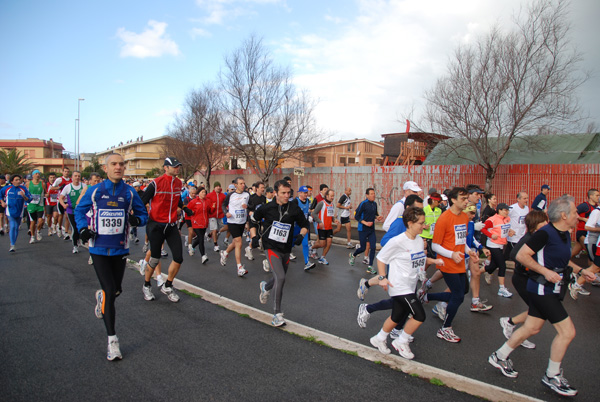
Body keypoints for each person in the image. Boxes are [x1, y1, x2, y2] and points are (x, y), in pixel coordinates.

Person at [488, 195, 595, 397]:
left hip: (551, 289)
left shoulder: (563, 234)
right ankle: (552, 375)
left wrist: (580, 271)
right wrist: (545, 271)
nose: (578, 217)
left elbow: (562, 261)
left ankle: (499, 356)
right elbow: (521, 256)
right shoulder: (544, 233)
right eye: (574, 213)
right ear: (564, 215)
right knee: (567, 332)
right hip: (541, 289)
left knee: (532, 327)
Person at [76, 153, 148, 361]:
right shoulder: (95, 190)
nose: (118, 167)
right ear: (106, 168)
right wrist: (82, 230)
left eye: (121, 164)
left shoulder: (130, 192)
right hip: (98, 248)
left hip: (120, 249)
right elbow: (80, 212)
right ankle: (112, 341)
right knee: (109, 290)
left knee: (115, 291)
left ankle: (102, 298)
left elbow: (143, 216)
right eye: (114, 164)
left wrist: (136, 219)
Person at [368, 207, 443, 359]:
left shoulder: (418, 240)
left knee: (396, 316)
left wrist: (434, 261)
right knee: (419, 315)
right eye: (421, 223)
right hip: (398, 286)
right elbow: (381, 258)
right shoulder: (397, 241)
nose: (424, 226)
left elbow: (418, 258)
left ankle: (379, 338)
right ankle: (401, 341)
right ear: (410, 223)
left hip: (410, 285)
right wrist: (382, 278)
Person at [420, 187, 478, 343]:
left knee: (463, 290)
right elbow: (435, 246)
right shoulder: (444, 218)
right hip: (447, 262)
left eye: (467, 198)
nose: (467, 201)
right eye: (463, 198)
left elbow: (461, 240)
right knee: (458, 296)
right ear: (453, 200)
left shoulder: (464, 218)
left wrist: (469, 251)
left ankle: (426, 296)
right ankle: (445, 328)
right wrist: (451, 254)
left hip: (459, 261)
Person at [252, 179, 309, 326]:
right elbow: (253, 220)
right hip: (270, 246)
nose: (286, 195)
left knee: (279, 277)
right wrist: (254, 236)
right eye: (283, 193)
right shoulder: (266, 208)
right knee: (281, 277)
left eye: (288, 193)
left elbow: (305, 224)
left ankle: (265, 287)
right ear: (275, 193)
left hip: (286, 248)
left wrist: (301, 236)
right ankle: (277, 314)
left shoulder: (294, 208)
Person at [499, 210, 549, 350]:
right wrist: (530, 266)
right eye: (543, 221)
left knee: (538, 310)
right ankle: (510, 324)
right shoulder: (529, 238)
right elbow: (515, 255)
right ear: (535, 224)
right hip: (521, 278)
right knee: (538, 310)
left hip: (532, 278)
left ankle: (513, 327)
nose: (546, 223)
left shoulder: (540, 236)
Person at [140, 157, 185, 302]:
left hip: (171, 225)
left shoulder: (178, 183)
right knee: (155, 257)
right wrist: (139, 217)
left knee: (178, 258)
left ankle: (168, 285)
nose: (177, 168)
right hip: (156, 225)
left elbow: (177, 199)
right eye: (174, 166)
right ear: (166, 168)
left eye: (178, 166)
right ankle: (146, 285)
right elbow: (142, 201)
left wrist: (185, 208)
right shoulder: (156, 183)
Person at [481, 203, 516, 297]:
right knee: (502, 265)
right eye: (505, 210)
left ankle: (476, 272)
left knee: (493, 265)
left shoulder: (507, 219)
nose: (507, 212)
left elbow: (504, 230)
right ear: (499, 210)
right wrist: (491, 235)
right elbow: (483, 228)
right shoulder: (492, 220)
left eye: (508, 210)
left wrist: (510, 232)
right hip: (493, 245)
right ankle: (501, 288)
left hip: (501, 244)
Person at [220, 176, 250, 276]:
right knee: (239, 243)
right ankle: (239, 267)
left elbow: (251, 206)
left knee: (235, 242)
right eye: (241, 183)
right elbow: (223, 205)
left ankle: (225, 253)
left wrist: (248, 207)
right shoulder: (231, 195)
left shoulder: (247, 194)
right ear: (236, 185)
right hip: (232, 221)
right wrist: (226, 212)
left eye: (244, 183)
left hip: (242, 221)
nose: (243, 185)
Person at [349, 188, 384, 274]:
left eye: (374, 193)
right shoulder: (363, 204)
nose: (373, 195)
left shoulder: (374, 204)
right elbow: (356, 216)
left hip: (371, 229)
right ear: (367, 195)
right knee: (363, 248)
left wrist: (377, 217)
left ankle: (370, 266)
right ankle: (353, 255)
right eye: (371, 194)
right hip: (363, 229)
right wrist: (365, 223)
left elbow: (374, 214)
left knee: (373, 247)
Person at [0, 174, 31, 252]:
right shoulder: (7, 189)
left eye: (19, 180)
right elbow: (0, 196)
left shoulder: (23, 189)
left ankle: (14, 242)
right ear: (12, 181)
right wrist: (2, 202)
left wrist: (24, 196)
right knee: (13, 226)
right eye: (16, 180)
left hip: (19, 211)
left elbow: (29, 200)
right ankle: (12, 245)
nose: (18, 181)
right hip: (10, 211)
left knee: (16, 227)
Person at [59, 171, 87, 253]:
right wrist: (64, 205)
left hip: (82, 211)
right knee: (74, 228)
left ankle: (81, 239)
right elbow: (61, 198)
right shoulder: (68, 187)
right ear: (72, 177)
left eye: (79, 176)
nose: (77, 177)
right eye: (75, 176)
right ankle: (75, 246)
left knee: (82, 227)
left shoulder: (84, 186)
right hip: (71, 211)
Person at [290, 186, 316, 271]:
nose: (306, 194)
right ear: (299, 193)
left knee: (305, 244)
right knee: (291, 244)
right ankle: (283, 258)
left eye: (306, 192)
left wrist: (309, 217)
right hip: (295, 227)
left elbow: (307, 212)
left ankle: (307, 263)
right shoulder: (295, 201)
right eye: (304, 192)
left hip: (304, 226)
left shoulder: (308, 201)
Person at [311, 189, 338, 265]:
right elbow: (314, 213)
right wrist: (319, 222)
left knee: (329, 243)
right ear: (327, 196)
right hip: (322, 228)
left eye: (333, 196)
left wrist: (334, 220)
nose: (332, 197)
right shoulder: (321, 203)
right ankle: (311, 247)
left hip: (329, 227)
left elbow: (331, 215)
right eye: (331, 196)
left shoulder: (332, 204)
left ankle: (322, 257)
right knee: (322, 244)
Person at [188, 187, 214, 264]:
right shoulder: (194, 201)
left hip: (204, 223)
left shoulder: (207, 201)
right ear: (198, 193)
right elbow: (187, 210)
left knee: (199, 239)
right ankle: (203, 256)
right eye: (202, 192)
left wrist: (213, 208)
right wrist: (191, 215)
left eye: (205, 192)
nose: (204, 194)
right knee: (201, 239)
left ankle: (192, 248)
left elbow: (210, 211)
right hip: (196, 223)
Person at [572, 188, 599, 259]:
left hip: (590, 233)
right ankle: (592, 270)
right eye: (597, 195)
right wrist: (583, 219)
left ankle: (561, 263)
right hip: (582, 232)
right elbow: (573, 213)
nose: (598, 197)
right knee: (591, 254)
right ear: (591, 196)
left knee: (574, 252)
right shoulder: (584, 206)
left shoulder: (596, 207)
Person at [246, 181, 266, 261]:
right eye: (261, 188)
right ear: (257, 189)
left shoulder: (264, 198)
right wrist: (249, 212)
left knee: (257, 238)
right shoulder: (251, 198)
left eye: (263, 188)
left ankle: (248, 248)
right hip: (252, 221)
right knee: (254, 240)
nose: (263, 189)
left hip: (260, 221)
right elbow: (246, 208)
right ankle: (249, 250)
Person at [51, 167, 72, 238]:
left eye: (67, 171)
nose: (66, 173)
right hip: (60, 200)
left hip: (67, 200)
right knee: (61, 215)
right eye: (65, 171)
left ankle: (66, 232)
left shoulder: (71, 180)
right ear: (62, 172)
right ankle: (59, 227)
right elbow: (52, 188)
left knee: (67, 216)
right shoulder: (59, 179)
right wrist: (59, 188)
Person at [506, 192, 529, 259]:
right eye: (524, 198)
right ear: (518, 199)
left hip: (522, 235)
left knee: (508, 255)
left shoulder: (526, 208)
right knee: (516, 255)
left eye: (527, 198)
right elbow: (505, 217)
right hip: (513, 236)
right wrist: (509, 229)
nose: (526, 200)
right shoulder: (512, 208)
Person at [206, 181, 227, 252]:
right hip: (212, 215)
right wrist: (211, 207)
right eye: (217, 186)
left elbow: (226, 203)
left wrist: (226, 209)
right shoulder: (209, 195)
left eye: (219, 186)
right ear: (214, 187)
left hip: (220, 215)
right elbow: (207, 204)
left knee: (217, 230)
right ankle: (216, 245)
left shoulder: (223, 195)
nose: (218, 187)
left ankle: (209, 235)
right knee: (214, 230)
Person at [26, 169, 45, 243]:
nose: (38, 175)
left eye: (38, 173)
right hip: (31, 205)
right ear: (33, 175)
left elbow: (45, 192)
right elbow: (25, 192)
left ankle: (38, 231)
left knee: (41, 221)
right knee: (33, 222)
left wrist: (46, 195)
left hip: (40, 205)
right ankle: (32, 236)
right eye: (36, 173)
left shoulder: (42, 183)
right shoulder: (28, 183)